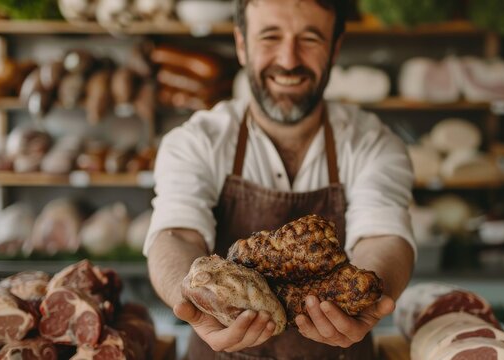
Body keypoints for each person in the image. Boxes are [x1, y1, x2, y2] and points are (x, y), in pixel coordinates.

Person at [145, 0, 416, 358]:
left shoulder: (372, 143)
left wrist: (362, 297)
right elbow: (176, 234)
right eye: (270, 37)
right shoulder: (197, 140)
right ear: (242, 45)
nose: (288, 59)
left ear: (335, 48)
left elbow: (383, 235)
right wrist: (195, 300)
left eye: (310, 38)